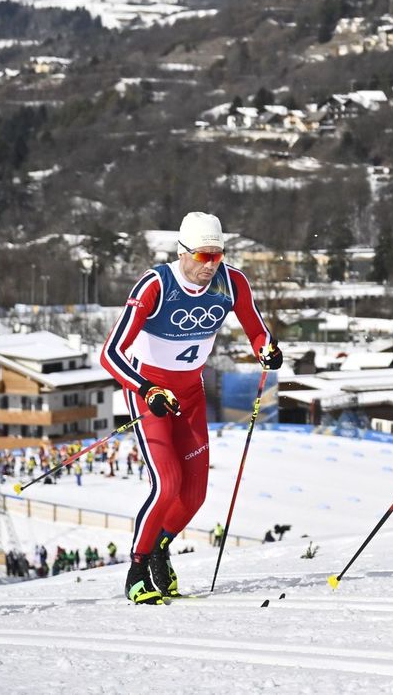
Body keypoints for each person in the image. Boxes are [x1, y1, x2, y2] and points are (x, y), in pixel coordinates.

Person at [99, 211, 281, 604]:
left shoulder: (231, 282)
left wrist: (265, 349)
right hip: (151, 393)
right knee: (167, 485)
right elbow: (110, 353)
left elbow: (256, 328)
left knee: (194, 495)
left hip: (191, 394)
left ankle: (160, 549)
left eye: (217, 255)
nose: (210, 264)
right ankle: (137, 569)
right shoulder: (156, 285)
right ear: (182, 252)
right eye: (202, 256)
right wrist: (146, 388)